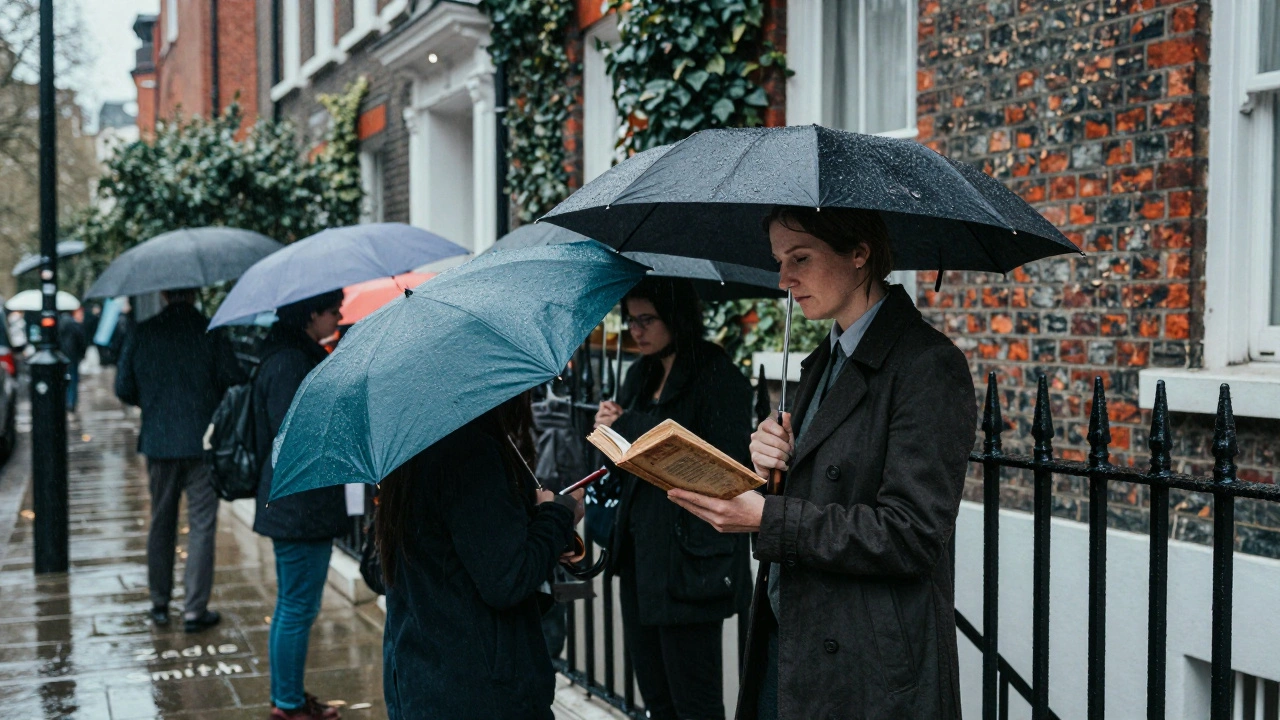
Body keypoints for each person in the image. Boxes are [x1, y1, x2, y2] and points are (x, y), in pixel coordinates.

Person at [667, 206, 977, 719]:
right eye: (779, 260)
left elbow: (912, 535)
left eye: (801, 258)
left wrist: (768, 517)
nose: (784, 278)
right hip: (791, 645)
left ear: (859, 253)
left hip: (864, 669)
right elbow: (822, 495)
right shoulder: (825, 358)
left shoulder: (927, 365)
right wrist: (770, 467)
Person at [594, 277, 753, 720]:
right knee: (657, 696)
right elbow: (620, 461)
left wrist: (627, 425)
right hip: (641, 554)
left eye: (646, 320)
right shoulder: (639, 375)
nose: (636, 331)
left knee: (695, 700)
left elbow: (725, 461)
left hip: (690, 559)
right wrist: (609, 430)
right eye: (630, 321)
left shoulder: (716, 372)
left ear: (676, 318)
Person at [376, 392, 584, 719]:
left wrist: (538, 531)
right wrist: (559, 515)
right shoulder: (467, 450)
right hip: (482, 690)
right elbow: (506, 580)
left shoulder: (412, 442)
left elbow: (463, 547)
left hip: (430, 678)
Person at [115, 288, 247, 633]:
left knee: (161, 522)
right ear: (194, 292)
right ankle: (194, 609)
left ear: (163, 294)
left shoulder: (143, 331)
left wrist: (155, 403)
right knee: (202, 525)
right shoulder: (210, 329)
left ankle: (159, 603)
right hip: (202, 441)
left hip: (159, 443)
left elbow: (123, 387)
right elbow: (233, 378)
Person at [251, 289, 347, 720]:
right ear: (311, 315)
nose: (339, 317)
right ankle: (287, 705)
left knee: (294, 605)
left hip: (296, 502)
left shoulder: (289, 355)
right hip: (299, 505)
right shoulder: (290, 362)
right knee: (296, 607)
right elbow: (296, 435)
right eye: (333, 310)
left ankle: (288, 696)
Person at [59, 309, 87, 416]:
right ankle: (71, 402)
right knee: (73, 379)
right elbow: (82, 340)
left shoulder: (58, 325)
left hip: (62, 356)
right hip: (73, 356)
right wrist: (81, 354)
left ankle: (65, 401)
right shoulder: (74, 325)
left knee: (63, 379)